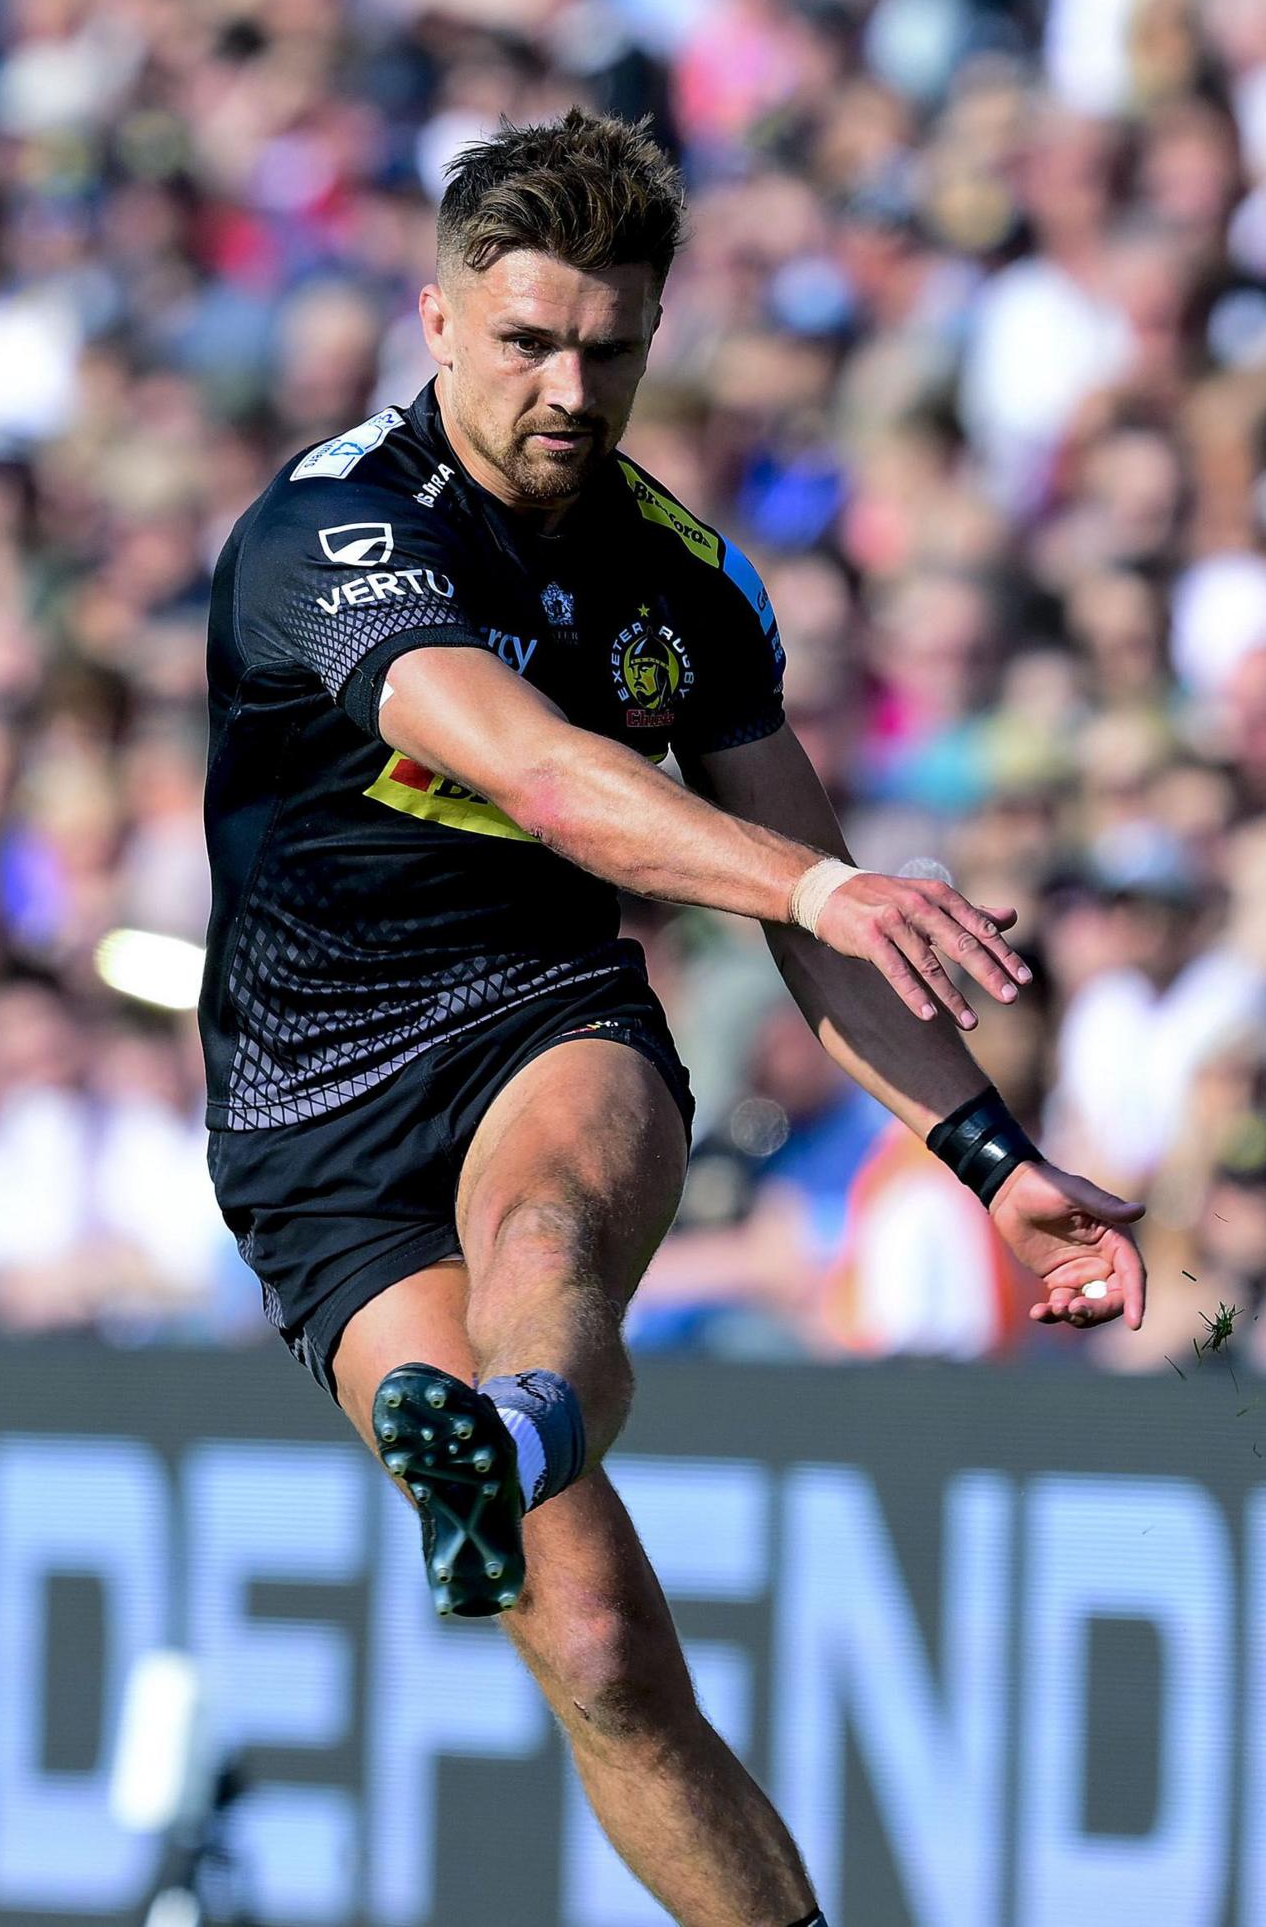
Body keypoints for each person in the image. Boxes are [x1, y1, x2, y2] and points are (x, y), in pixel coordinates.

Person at [198, 110, 1145, 1927]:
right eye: (530, 341)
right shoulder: (331, 533)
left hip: (539, 1013)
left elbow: (825, 933)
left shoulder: (681, 578)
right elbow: (548, 775)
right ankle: (508, 1444)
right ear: (440, 319)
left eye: (611, 348)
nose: (570, 385)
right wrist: (813, 880)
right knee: (603, 1638)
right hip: (314, 1112)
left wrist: (996, 1159)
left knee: (546, 1231)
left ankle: (522, 1432)